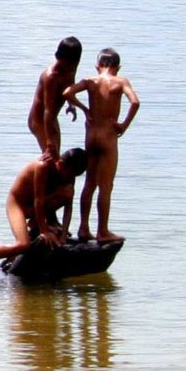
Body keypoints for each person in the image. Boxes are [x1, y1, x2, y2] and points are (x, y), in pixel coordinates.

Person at [63, 48, 140, 240]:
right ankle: (102, 231)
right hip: (108, 136)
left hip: (91, 135)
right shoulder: (120, 82)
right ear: (118, 67)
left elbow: (67, 92)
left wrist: (84, 109)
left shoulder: (91, 81)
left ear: (98, 66)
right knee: (106, 186)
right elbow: (135, 102)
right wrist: (123, 125)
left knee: (89, 183)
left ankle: (83, 228)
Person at [0, 148, 89, 273]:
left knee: (67, 192)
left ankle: (36, 228)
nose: (70, 178)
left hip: (38, 206)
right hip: (18, 204)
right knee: (23, 245)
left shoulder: (69, 174)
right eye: (69, 174)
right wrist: (44, 231)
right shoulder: (42, 166)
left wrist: (63, 236)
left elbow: (68, 205)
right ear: (60, 164)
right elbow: (38, 201)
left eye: (74, 176)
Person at [28, 37, 83, 160]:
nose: (71, 68)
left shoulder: (71, 68)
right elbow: (48, 111)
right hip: (39, 120)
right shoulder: (51, 77)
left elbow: (70, 84)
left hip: (52, 118)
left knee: (56, 156)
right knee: (51, 157)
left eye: (74, 64)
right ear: (58, 57)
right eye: (68, 64)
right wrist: (50, 144)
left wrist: (71, 103)